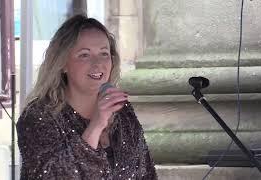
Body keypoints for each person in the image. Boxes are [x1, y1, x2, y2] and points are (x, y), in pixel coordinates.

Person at [16, 14, 157, 180]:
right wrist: (96, 125)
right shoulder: (38, 116)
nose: (97, 63)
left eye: (104, 53)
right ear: (63, 64)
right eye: (84, 55)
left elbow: (146, 173)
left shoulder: (121, 111)